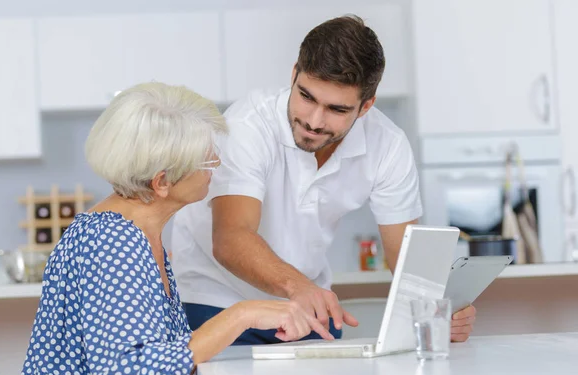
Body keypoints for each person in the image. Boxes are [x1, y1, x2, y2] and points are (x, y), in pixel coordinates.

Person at [14, 83, 332, 375]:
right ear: (162, 182)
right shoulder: (113, 243)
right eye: (207, 160)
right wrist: (243, 314)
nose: (217, 165)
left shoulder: (131, 232)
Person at [172, 15, 476, 345]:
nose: (314, 121)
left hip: (307, 305)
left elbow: (404, 255)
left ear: (366, 107)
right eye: (306, 96)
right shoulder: (247, 125)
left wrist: (438, 307)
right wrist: (297, 286)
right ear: (294, 75)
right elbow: (231, 237)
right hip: (215, 300)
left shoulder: (388, 145)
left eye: (336, 109)